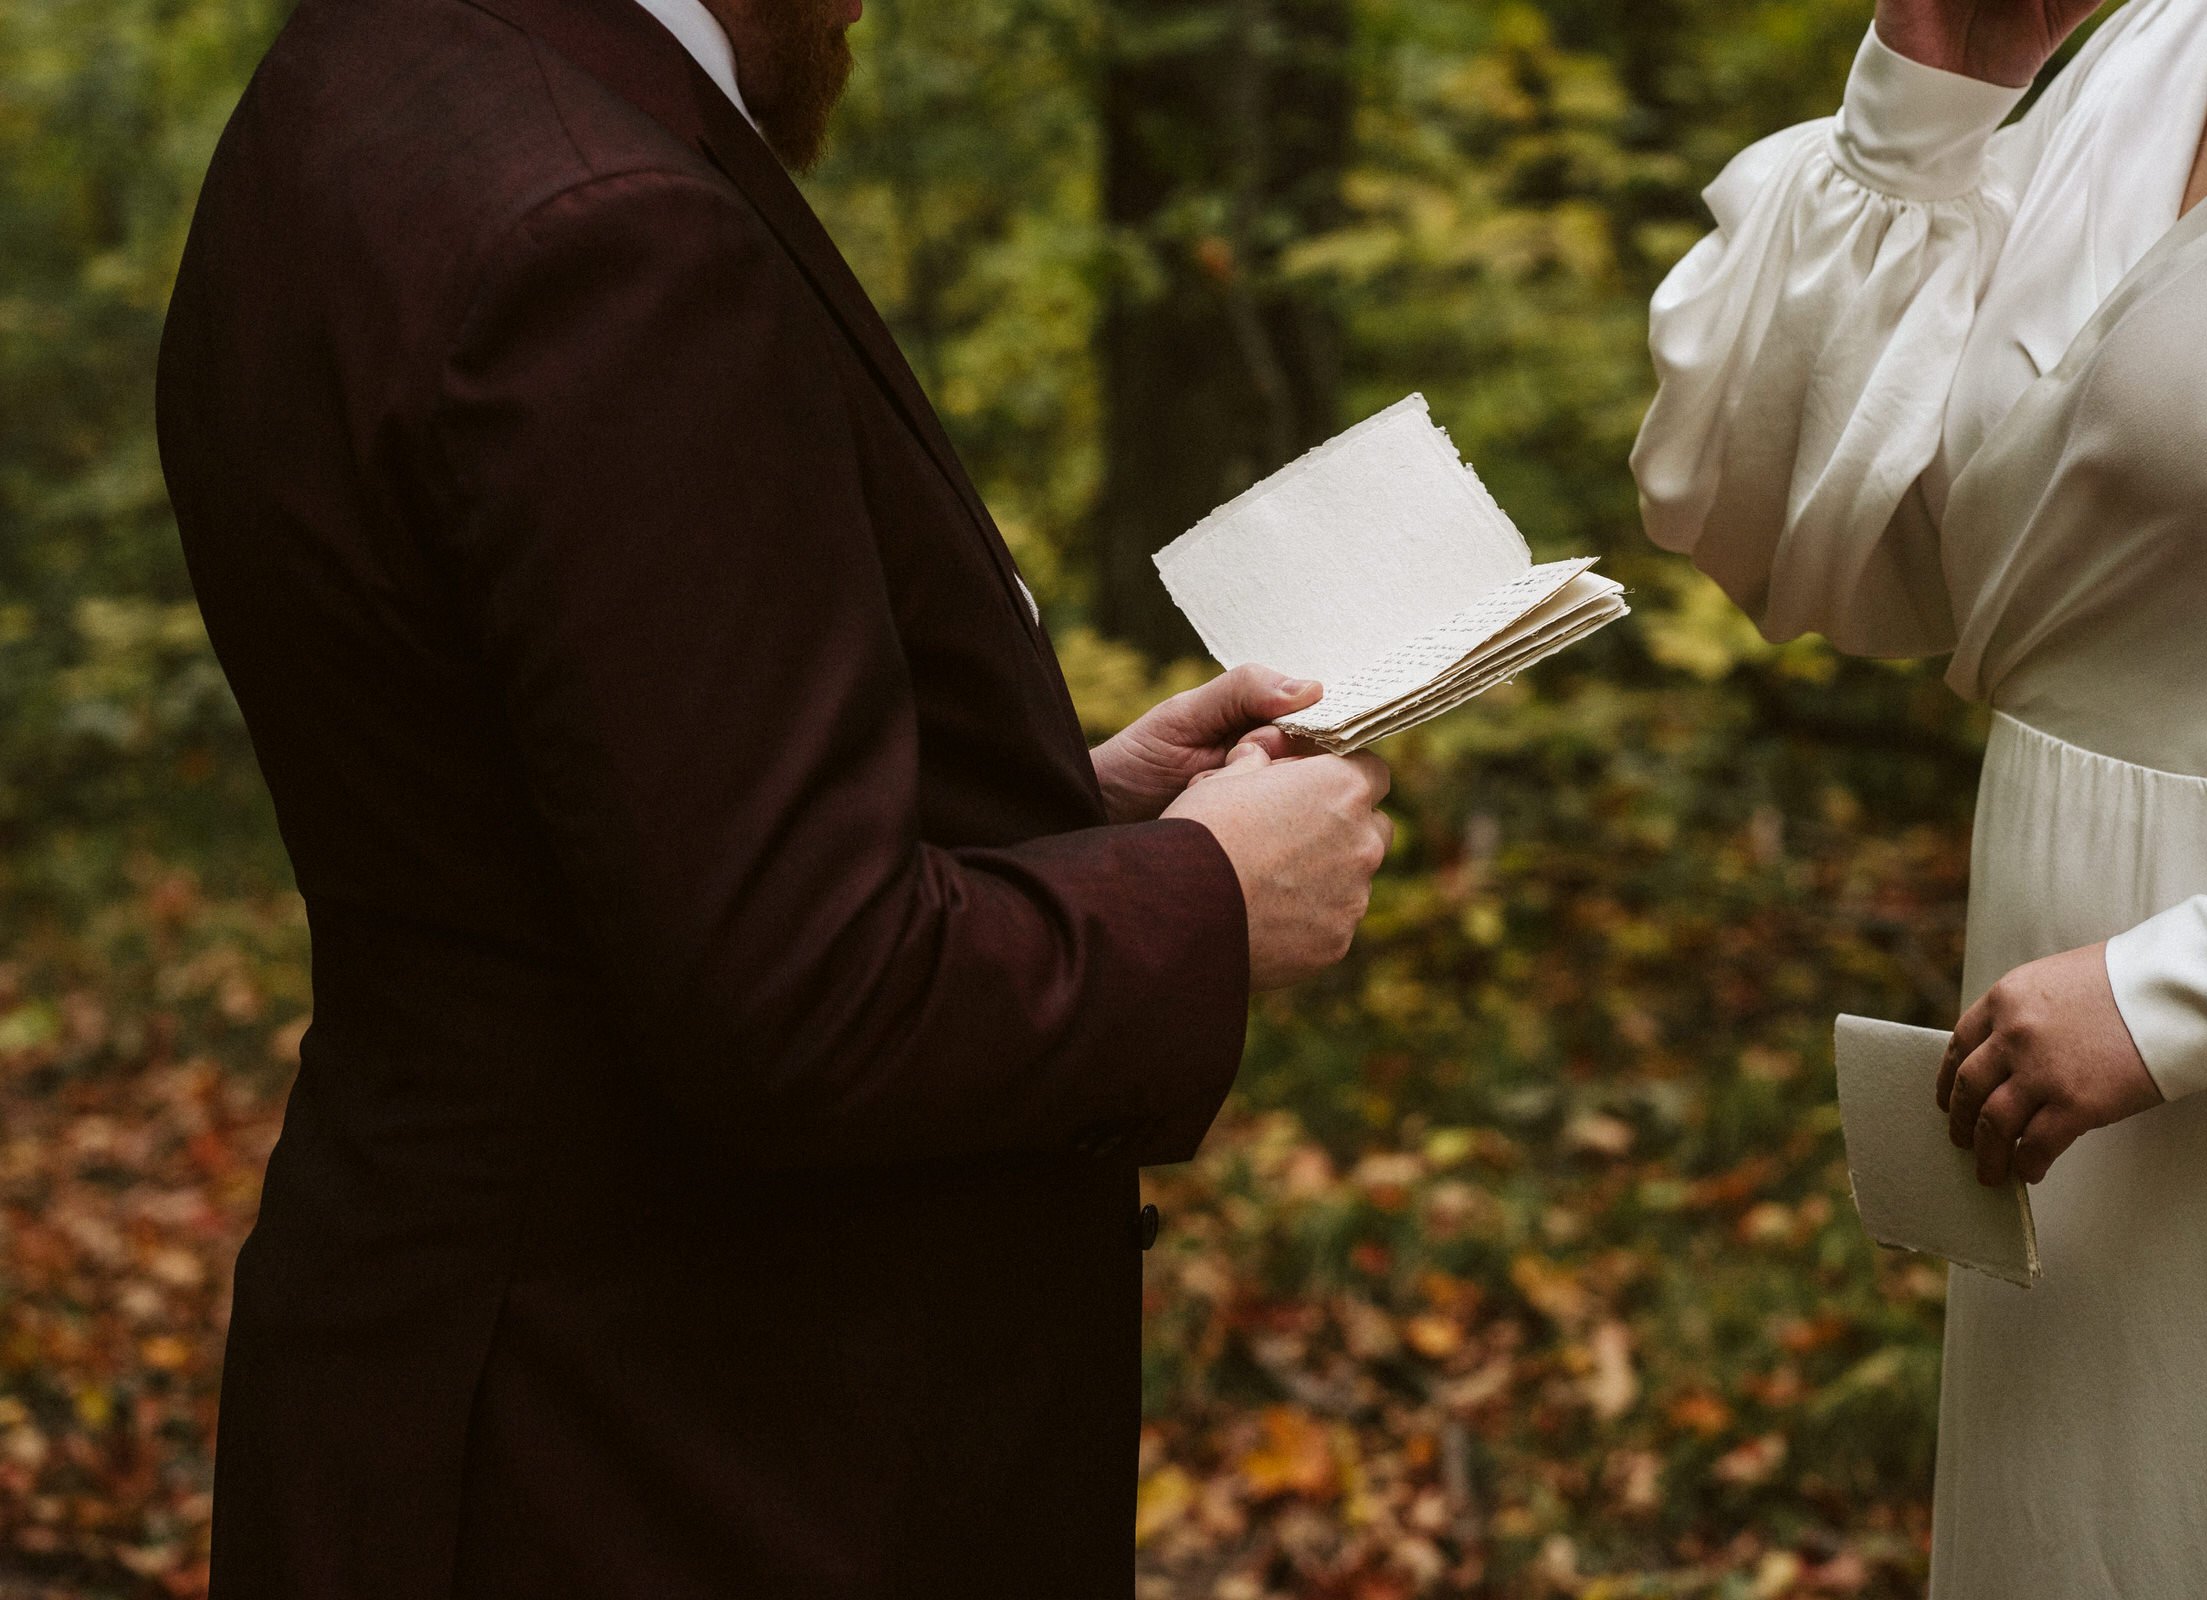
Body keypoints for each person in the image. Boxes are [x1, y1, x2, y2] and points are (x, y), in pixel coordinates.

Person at [152, 0, 1394, 1591]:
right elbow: (801, 997)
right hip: (655, 1450)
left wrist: (1062, 809)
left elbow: (585, 812)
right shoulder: (603, 230)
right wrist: (1202, 903)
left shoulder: (357, 85)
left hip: (429, 1359)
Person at [1634, 0, 2207, 1591]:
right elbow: (1795, 510)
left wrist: (2205, 983)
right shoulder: (2159, 41)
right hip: (2072, 1163)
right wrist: (1936, 78)